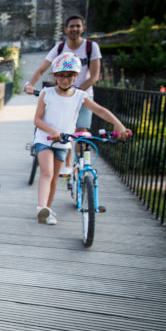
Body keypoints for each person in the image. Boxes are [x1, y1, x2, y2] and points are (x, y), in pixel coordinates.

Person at [33, 53, 131, 225]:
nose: (65, 79)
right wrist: (52, 130)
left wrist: (118, 124)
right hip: (45, 138)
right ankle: (41, 208)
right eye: (61, 75)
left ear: (76, 76)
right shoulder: (46, 93)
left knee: (55, 177)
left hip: (64, 142)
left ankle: (47, 210)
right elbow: (37, 119)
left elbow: (100, 110)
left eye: (70, 75)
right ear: (55, 76)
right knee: (46, 172)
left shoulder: (80, 96)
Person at [25, 14, 102, 176]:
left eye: (78, 26)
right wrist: (30, 84)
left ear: (83, 28)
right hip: (62, 95)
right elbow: (42, 68)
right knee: (63, 130)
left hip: (84, 95)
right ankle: (67, 162)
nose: (74, 29)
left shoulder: (91, 47)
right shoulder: (60, 48)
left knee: (81, 131)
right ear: (66, 29)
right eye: (71, 26)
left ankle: (79, 166)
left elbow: (94, 76)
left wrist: (75, 93)